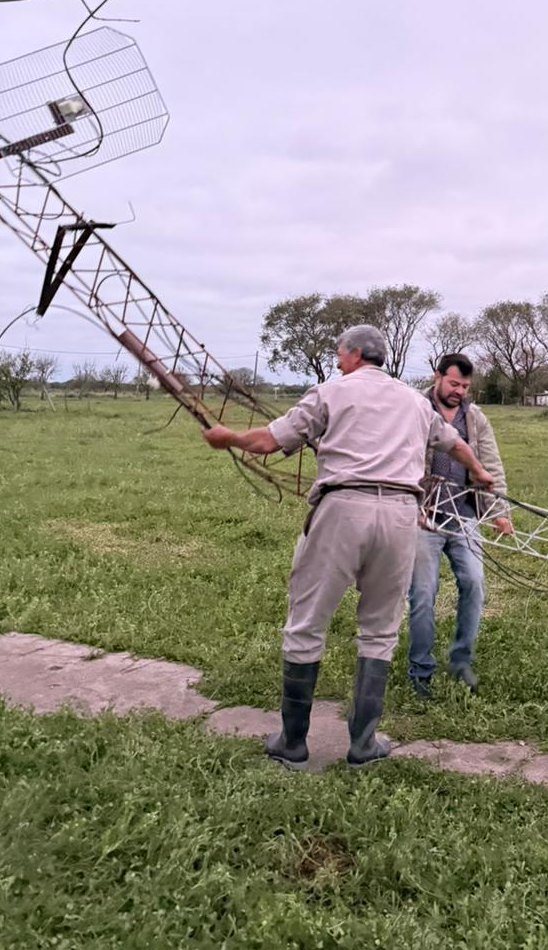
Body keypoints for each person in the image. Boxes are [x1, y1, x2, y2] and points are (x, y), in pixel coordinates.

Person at [202, 325, 495, 769]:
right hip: (401, 516)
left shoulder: (328, 393)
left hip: (343, 509)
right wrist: (479, 472)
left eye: (340, 354)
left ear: (356, 354)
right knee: (379, 629)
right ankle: (363, 745)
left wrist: (229, 439)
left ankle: (293, 743)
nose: (338, 362)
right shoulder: (415, 401)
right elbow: (453, 443)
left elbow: (268, 441)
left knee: (306, 622)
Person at [407, 352, 512, 698]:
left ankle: (460, 660)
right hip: (425, 516)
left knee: (475, 582)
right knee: (423, 592)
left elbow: (490, 465)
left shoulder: (475, 418)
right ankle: (420, 670)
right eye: (453, 383)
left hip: (463, 514)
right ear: (437, 376)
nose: (459, 392)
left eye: (465, 386)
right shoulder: (415, 409)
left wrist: (499, 512)